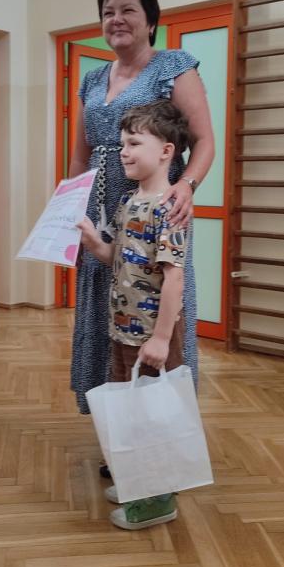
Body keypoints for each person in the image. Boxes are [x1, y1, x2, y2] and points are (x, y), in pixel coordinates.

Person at [69, 0, 215, 423]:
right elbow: (79, 156)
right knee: (105, 309)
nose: (116, 19)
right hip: (101, 213)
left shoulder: (174, 66)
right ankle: (116, 427)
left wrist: (186, 185)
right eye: (108, 12)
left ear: (151, 21)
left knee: (155, 302)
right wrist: (66, 211)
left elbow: (204, 141)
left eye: (128, 10)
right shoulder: (92, 79)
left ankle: (160, 428)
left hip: (155, 210)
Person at [78, 99, 191, 529]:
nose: (123, 152)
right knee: (132, 412)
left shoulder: (169, 206)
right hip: (123, 330)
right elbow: (121, 260)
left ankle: (157, 501)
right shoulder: (129, 201)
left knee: (152, 417)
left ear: (165, 151)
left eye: (133, 143)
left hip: (151, 336)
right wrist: (95, 244)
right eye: (122, 143)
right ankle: (140, 482)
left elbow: (174, 279)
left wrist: (161, 338)